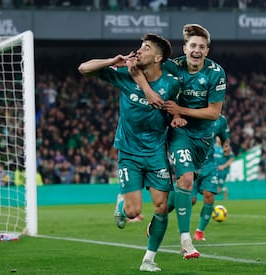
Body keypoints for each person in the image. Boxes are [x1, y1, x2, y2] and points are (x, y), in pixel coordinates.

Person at [78, 33, 185, 272]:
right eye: (140, 46)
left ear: (158, 58)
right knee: (133, 211)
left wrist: (176, 116)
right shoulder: (126, 75)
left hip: (156, 152)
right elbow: (84, 68)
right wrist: (110, 60)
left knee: (161, 206)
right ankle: (122, 204)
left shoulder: (172, 84)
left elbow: (173, 110)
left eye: (145, 48)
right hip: (129, 152)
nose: (139, 50)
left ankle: (148, 259)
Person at [132, 23, 227, 259]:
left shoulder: (216, 73)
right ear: (185, 48)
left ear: (207, 51)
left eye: (202, 47)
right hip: (178, 133)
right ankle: (186, 241)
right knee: (185, 180)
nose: (197, 50)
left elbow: (214, 113)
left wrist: (180, 109)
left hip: (203, 139)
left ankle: (159, 215)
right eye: (193, 45)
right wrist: (172, 113)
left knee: (186, 191)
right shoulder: (172, 66)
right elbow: (144, 69)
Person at [190, 114, 231, 241]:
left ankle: (199, 231)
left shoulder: (221, 120)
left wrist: (226, 146)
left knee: (210, 196)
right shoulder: (191, 112)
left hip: (209, 165)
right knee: (191, 200)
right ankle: (162, 212)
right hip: (190, 163)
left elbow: (224, 137)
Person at [214, 135, 235, 201]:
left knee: (218, 191)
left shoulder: (225, 147)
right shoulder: (212, 147)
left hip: (222, 171)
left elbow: (232, 158)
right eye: (217, 137)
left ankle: (224, 190)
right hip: (213, 170)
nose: (218, 139)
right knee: (212, 188)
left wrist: (223, 166)